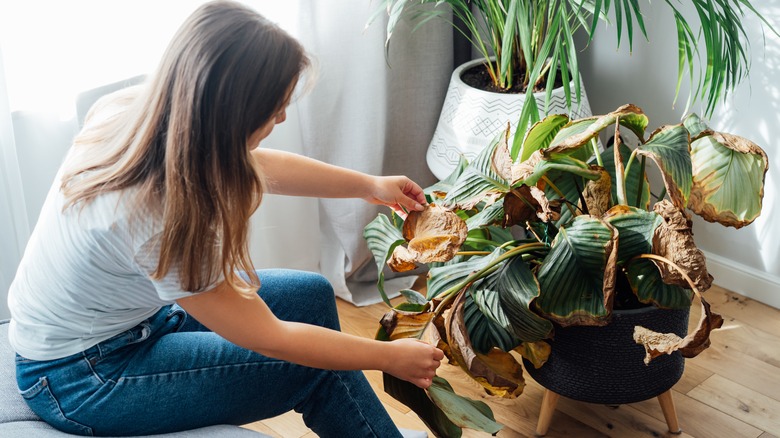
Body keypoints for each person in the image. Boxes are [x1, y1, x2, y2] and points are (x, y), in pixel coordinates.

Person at [8, 1, 443, 436]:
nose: (282, 116)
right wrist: (389, 357)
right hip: (83, 378)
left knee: (310, 294)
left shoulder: (142, 113)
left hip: (130, 324)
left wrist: (370, 185)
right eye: (274, 108)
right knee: (311, 368)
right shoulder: (163, 216)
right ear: (231, 116)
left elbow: (258, 163)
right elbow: (272, 338)